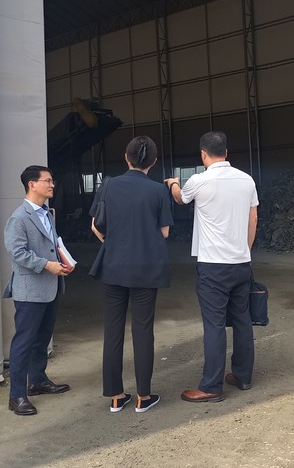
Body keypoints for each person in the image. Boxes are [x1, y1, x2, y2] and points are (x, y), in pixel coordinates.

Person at [166, 131, 259, 403]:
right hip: (241, 263)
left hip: (213, 267)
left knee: (214, 324)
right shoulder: (246, 180)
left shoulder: (199, 180)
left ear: (203, 155)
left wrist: (173, 183)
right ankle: (243, 376)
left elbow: (180, 198)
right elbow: (253, 218)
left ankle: (211, 386)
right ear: (226, 152)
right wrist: (245, 251)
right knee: (241, 319)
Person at [89, 136, 173, 413]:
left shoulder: (108, 185)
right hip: (146, 269)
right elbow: (164, 233)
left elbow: (96, 226)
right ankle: (143, 397)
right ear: (154, 162)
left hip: (113, 266)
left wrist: (113, 243)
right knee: (143, 330)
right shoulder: (158, 191)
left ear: (126, 158)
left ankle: (116, 396)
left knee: (112, 331)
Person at [3, 165, 74, 416]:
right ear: (32, 184)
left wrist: (64, 262)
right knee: (24, 342)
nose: (52, 184)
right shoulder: (19, 218)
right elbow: (17, 252)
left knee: (42, 338)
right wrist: (47, 265)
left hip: (50, 286)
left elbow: (53, 245)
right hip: (30, 289)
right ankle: (16, 396)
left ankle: (38, 381)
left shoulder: (47, 214)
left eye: (52, 180)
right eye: (48, 180)